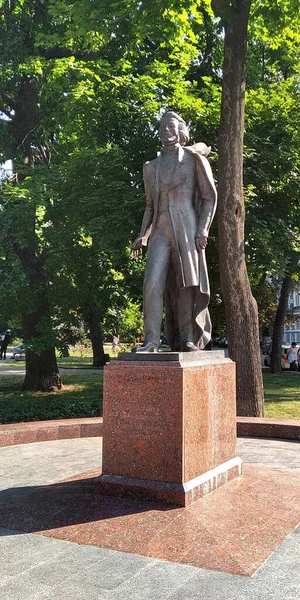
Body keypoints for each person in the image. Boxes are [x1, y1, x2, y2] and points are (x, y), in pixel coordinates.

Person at [131, 111, 217, 352]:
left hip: (188, 228)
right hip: (160, 231)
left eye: (170, 126)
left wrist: (203, 228)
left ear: (180, 131)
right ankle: (151, 341)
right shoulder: (150, 167)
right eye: (162, 127)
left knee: (186, 284)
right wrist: (143, 235)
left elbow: (210, 197)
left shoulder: (193, 160)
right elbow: (150, 205)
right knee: (152, 283)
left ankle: (189, 337)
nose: (165, 131)